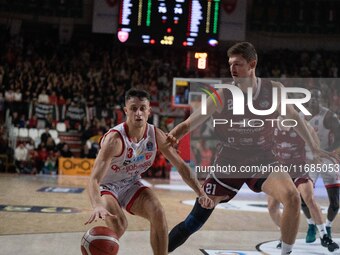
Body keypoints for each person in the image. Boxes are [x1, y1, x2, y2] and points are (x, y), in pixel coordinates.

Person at [167, 42, 329, 255]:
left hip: (263, 160)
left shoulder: (273, 90)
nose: (232, 69)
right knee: (194, 222)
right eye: (230, 64)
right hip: (229, 163)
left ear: (252, 64)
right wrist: (171, 137)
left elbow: (295, 118)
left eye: (238, 64)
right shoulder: (222, 95)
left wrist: (314, 147)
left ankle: (286, 253)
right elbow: (189, 123)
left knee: (292, 197)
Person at [85, 88, 213, 255]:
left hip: (131, 183)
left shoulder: (155, 135)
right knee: (119, 224)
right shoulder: (114, 140)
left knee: (158, 212)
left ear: (149, 111)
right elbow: (93, 180)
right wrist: (96, 205)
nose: (138, 113)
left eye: (142, 108)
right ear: (126, 110)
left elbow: (181, 166)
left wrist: (201, 192)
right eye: (133, 108)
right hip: (107, 186)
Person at [267, 118, 339, 252]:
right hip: (279, 169)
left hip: (299, 167)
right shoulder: (270, 124)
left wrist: (316, 154)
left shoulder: (301, 124)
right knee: (272, 207)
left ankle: (325, 237)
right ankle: (285, 232)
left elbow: (313, 138)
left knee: (309, 198)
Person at [301, 88, 340, 242]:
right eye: (311, 100)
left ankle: (328, 226)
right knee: (304, 198)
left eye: (316, 99)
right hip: (308, 160)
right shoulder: (300, 116)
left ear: (321, 100)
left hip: (326, 159)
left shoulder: (329, 116)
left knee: (335, 202)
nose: (313, 102)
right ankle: (311, 225)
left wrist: (328, 152)